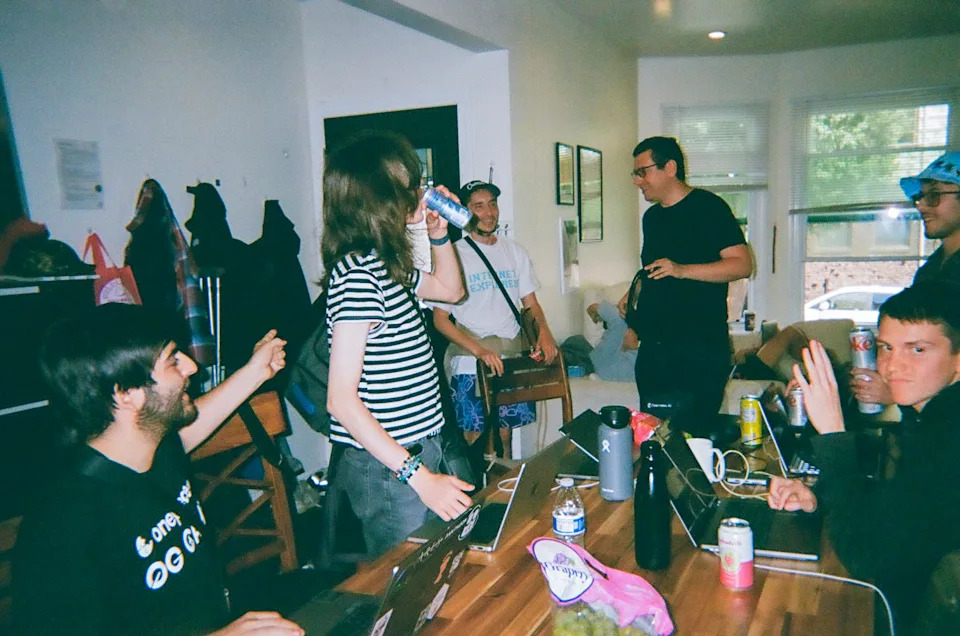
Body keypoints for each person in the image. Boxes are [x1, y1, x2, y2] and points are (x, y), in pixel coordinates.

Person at [13, 303, 302, 636]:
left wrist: (256, 371)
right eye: (172, 360)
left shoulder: (154, 449)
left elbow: (194, 425)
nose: (192, 366)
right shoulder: (63, 525)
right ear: (126, 393)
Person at [768, 282, 960, 634]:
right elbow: (896, 511)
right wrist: (820, 499)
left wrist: (833, 434)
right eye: (886, 347)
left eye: (917, 349)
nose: (891, 366)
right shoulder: (932, 416)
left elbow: (863, 556)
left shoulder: (946, 439)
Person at [321, 132, 474, 558]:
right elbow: (340, 402)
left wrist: (438, 235)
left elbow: (450, 289)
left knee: (442, 567)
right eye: (408, 185)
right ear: (376, 197)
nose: (418, 193)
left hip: (424, 446)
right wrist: (420, 477)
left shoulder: (386, 265)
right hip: (392, 468)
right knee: (408, 585)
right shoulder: (357, 277)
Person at [620, 136, 751, 434]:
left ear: (669, 167)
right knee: (654, 439)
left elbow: (742, 264)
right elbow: (654, 271)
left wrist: (682, 270)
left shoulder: (710, 208)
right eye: (635, 173)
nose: (637, 181)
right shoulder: (652, 218)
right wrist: (632, 297)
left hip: (700, 351)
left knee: (694, 440)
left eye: (643, 171)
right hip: (655, 353)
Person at [430, 180, 559, 447]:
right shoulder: (453, 255)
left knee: (504, 434)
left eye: (492, 204)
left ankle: (505, 488)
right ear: (464, 212)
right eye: (478, 206)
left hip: (510, 356)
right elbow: (440, 320)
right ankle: (479, 488)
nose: (488, 213)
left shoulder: (515, 251)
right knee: (475, 436)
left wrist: (545, 334)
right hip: (471, 361)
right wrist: (479, 351)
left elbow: (531, 304)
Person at [851, 151, 960, 410]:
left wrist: (894, 393)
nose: (921, 205)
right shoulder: (930, 270)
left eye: (933, 196)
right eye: (919, 197)